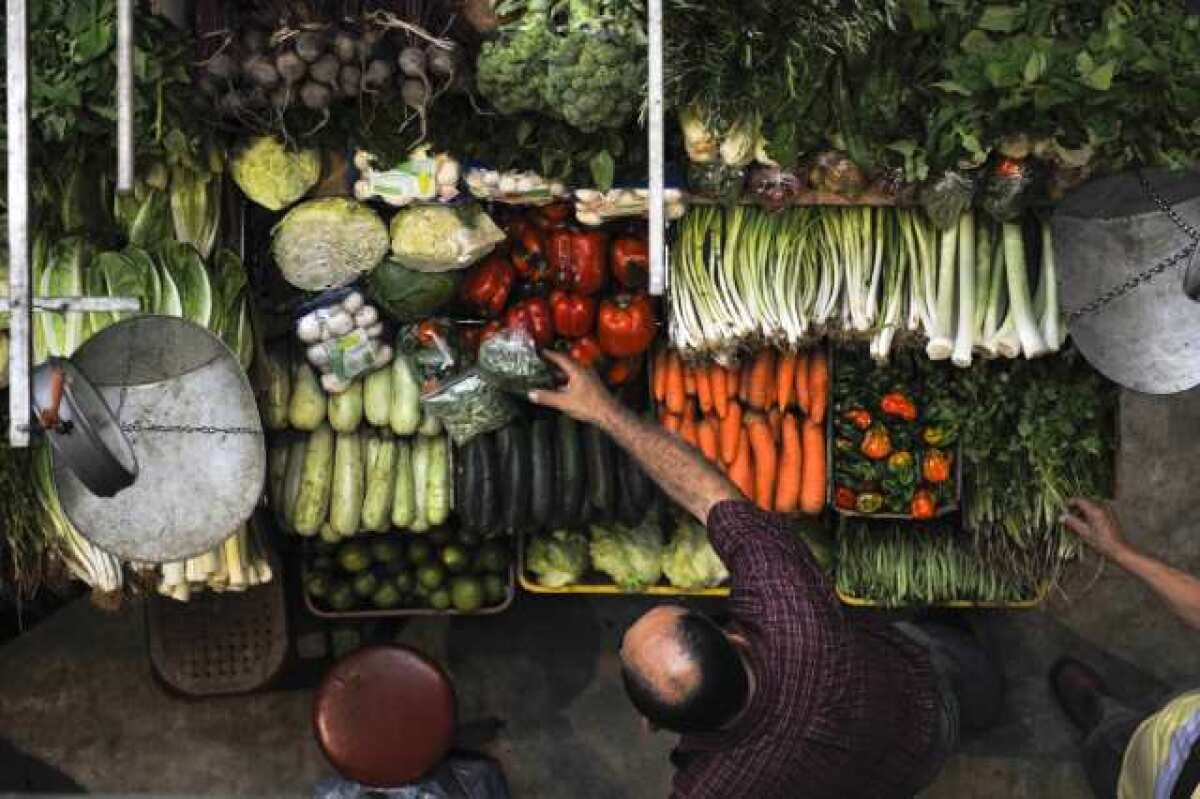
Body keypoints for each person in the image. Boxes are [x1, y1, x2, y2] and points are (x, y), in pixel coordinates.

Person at [529, 350, 1003, 799]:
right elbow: (705, 495)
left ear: (652, 726)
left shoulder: (715, 789)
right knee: (960, 678)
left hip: (894, 778)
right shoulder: (791, 613)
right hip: (917, 706)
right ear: (735, 640)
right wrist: (605, 412)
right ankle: (988, 697)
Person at [1052, 498, 1200, 799]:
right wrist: (1119, 551)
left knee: (1106, 756)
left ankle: (1101, 728)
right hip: (1173, 728)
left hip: (1142, 786)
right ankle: (1105, 714)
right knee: (1131, 731)